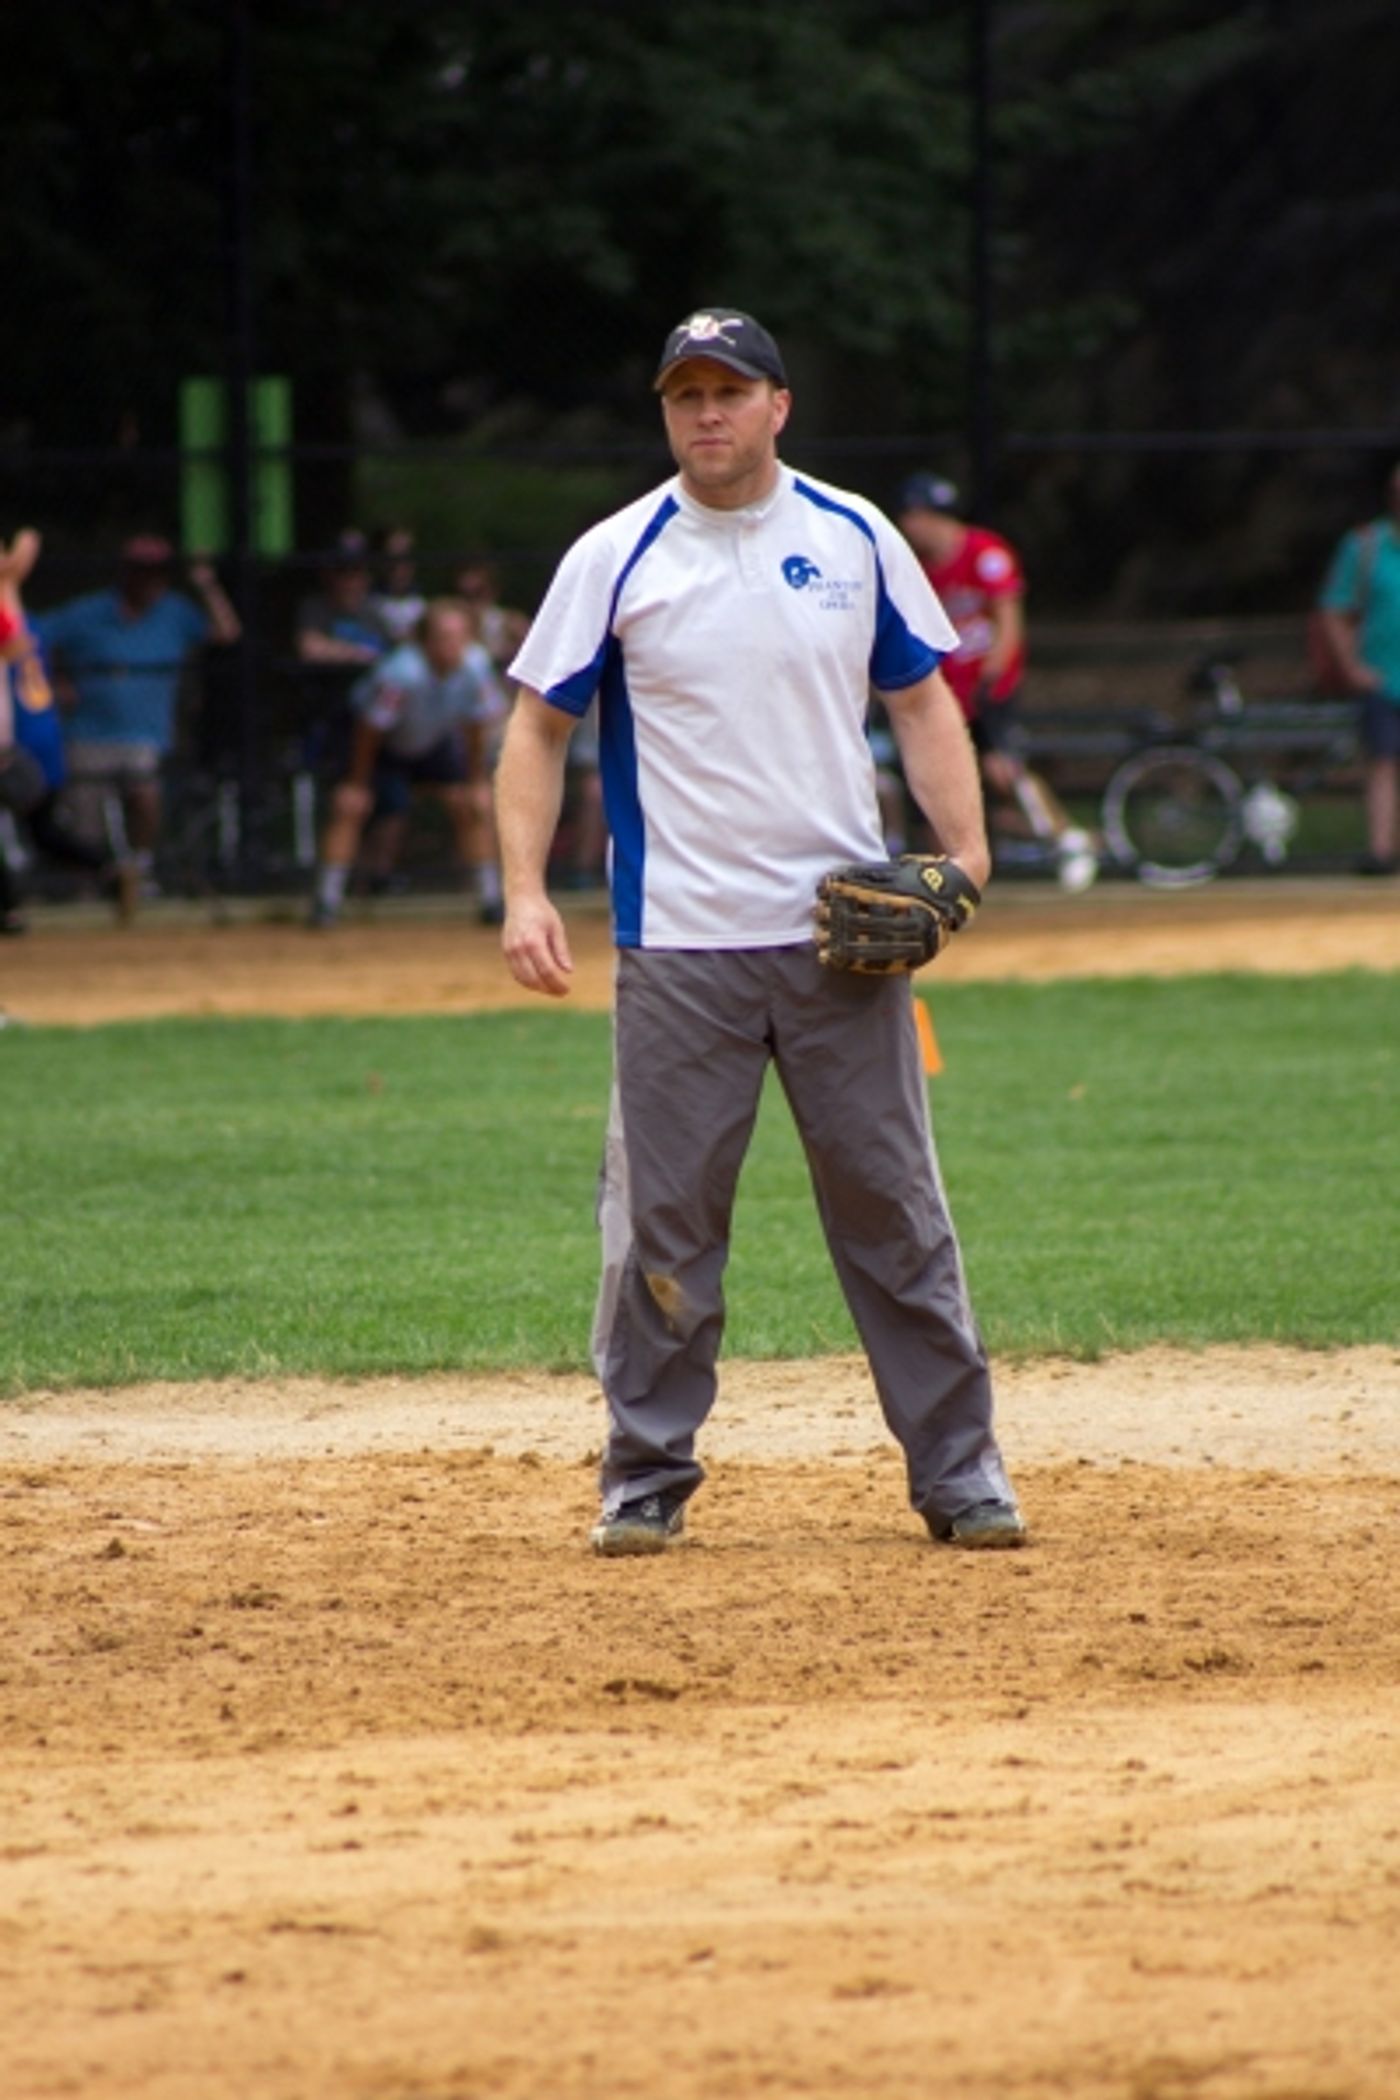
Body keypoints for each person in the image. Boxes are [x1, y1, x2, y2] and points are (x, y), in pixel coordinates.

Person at [495, 305, 1025, 1558]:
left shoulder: (853, 535)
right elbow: (536, 727)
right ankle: (642, 1477)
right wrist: (524, 889)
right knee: (663, 1229)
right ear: (665, 414)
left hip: (842, 943)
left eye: (729, 391)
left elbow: (922, 698)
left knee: (894, 1212)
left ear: (777, 406)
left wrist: (966, 851)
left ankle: (960, 1475)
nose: (707, 413)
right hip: (678, 946)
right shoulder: (617, 554)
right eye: (684, 395)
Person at [895, 474, 1098, 892]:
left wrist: (994, 679)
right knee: (946, 784)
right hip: (947, 698)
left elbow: (1008, 624)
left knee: (1003, 770)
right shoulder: (920, 570)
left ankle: (1067, 840)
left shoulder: (984, 553)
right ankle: (947, 878)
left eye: (916, 516)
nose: (910, 526)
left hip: (989, 690)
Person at [34, 534, 240, 899]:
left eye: (157, 573)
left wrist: (206, 586)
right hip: (88, 732)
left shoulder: (175, 612)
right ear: (124, 573)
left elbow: (227, 633)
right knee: (85, 820)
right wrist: (56, 680)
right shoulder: (90, 611)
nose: (149, 581)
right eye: (141, 572)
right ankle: (91, 887)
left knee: (146, 797)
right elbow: (31, 636)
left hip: (145, 734)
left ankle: (140, 871)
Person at [309, 597, 505, 927]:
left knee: (474, 805)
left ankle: (492, 901)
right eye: (444, 638)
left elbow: (475, 726)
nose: (452, 646)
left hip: (431, 741)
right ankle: (325, 903)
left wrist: (475, 780)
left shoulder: (476, 666)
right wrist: (357, 782)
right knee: (350, 807)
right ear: (425, 642)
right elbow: (370, 729)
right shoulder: (401, 672)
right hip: (376, 746)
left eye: (460, 637)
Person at [0, 529, 138, 932]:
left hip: (20, 741)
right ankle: (108, 869)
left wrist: (9, 575)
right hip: (39, 739)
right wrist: (10, 575)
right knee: (44, 832)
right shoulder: (27, 627)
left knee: (41, 831)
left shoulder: (17, 629)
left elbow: (11, 632)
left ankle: (9, 910)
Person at [1316, 461, 1400, 875]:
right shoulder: (1366, 546)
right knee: (1383, 763)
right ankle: (1381, 850)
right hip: (1383, 677)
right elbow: (1334, 610)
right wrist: (1350, 667)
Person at [369, 523, 427, 644]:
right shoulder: (366, 604)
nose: (400, 565)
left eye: (407, 554)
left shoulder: (424, 605)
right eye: (392, 556)